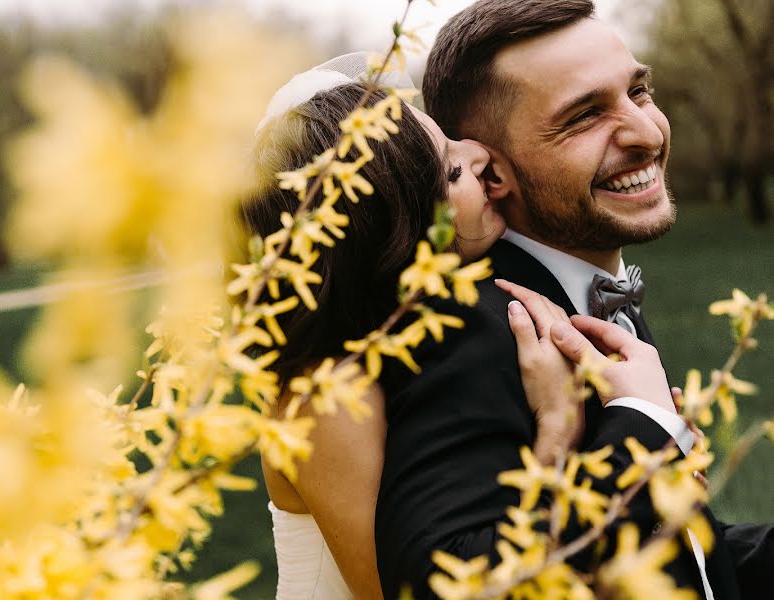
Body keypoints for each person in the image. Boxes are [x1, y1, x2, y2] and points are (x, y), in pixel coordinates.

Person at [240, 52, 711, 599]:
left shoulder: (417, 338)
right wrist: (561, 430)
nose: (481, 154)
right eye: (452, 168)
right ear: (404, 227)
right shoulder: (327, 393)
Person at [375, 1, 773, 599]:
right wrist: (643, 426)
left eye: (639, 92)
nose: (647, 133)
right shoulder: (473, 329)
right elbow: (449, 583)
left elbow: (681, 553)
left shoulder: (586, 295)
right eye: (584, 117)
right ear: (490, 172)